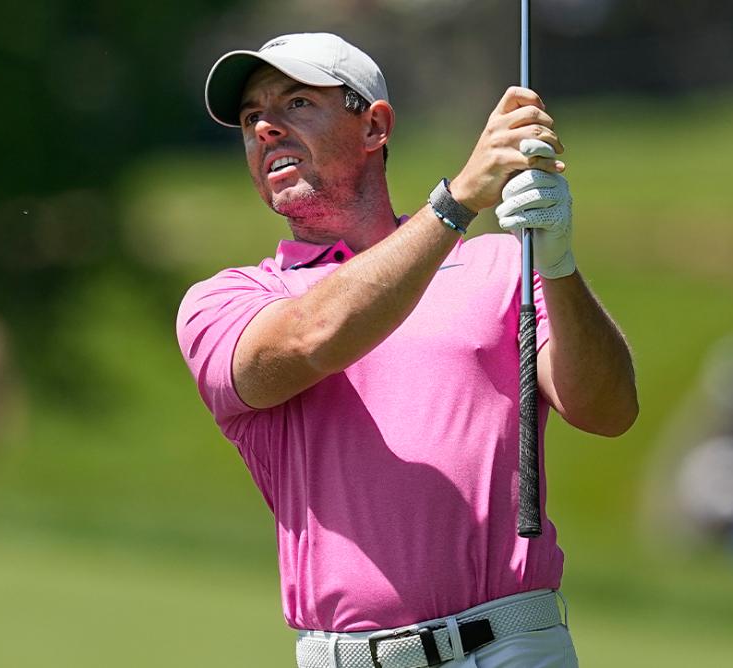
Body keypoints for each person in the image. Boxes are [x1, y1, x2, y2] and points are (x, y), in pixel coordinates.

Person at [178, 32, 637, 667]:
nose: (265, 129)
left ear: (374, 126)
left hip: (515, 647)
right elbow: (312, 340)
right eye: (252, 117)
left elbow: (608, 411)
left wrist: (557, 265)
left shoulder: (500, 264)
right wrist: (455, 205)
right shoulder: (231, 300)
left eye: (296, 105)